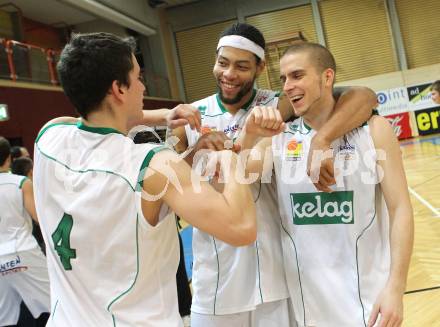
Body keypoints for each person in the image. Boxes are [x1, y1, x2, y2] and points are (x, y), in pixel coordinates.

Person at [33, 32, 256, 326]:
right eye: (137, 77)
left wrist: (165, 116)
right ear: (118, 88)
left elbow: (85, 120)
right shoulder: (151, 164)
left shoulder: (48, 138)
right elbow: (241, 229)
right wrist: (230, 161)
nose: (143, 85)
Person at [169, 22, 377, 327]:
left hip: (277, 277)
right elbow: (169, 179)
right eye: (223, 63)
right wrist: (193, 151)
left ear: (260, 67)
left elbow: (364, 95)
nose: (228, 74)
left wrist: (321, 139)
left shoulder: (280, 104)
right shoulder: (189, 117)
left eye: (241, 66)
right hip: (216, 276)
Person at [239, 42, 414, 327]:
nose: (287, 86)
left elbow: (401, 209)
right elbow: (240, 175)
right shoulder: (280, 138)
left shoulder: (373, 130)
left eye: (297, 75)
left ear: (327, 77)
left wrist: (396, 288)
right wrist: (248, 136)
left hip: (370, 302)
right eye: (283, 79)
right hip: (309, 308)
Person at [0, 137, 50, 327]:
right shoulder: (20, 183)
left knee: (6, 319)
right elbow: (40, 219)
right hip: (23, 251)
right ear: (9, 159)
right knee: (56, 304)